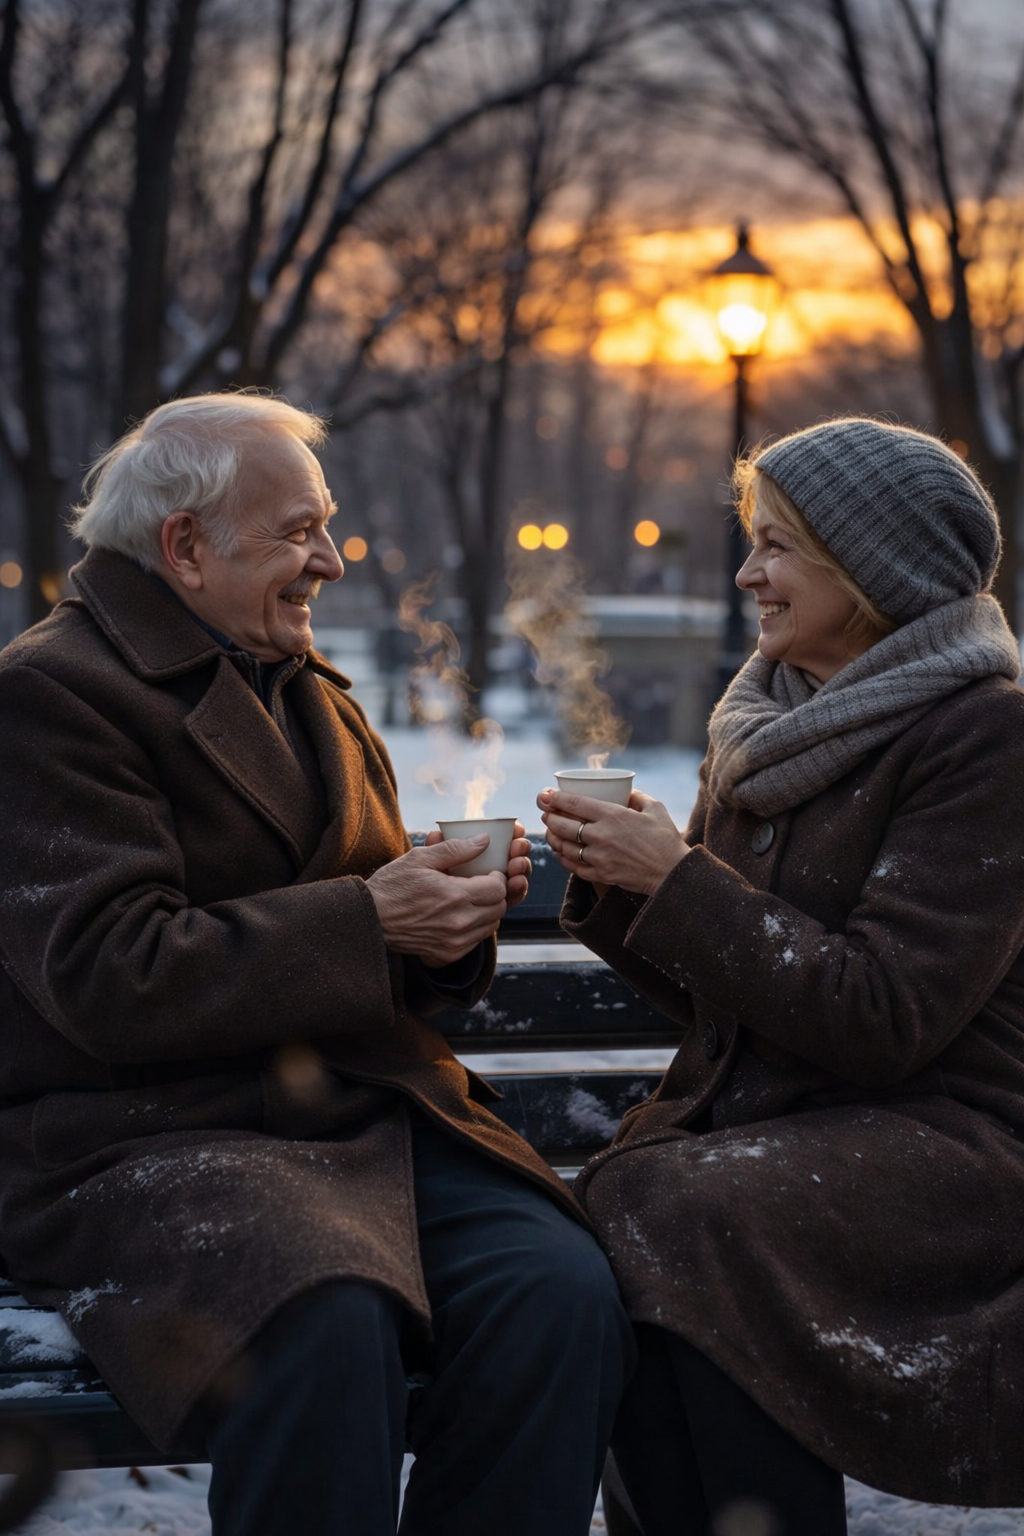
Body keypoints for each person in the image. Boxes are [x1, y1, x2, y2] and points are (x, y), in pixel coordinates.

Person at [0, 392, 633, 1536]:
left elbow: (371, 928)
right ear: (185, 547)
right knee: (322, 1311)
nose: (331, 562)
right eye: (299, 532)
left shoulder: (304, 690)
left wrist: (441, 927)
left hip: (361, 1119)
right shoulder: (51, 697)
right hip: (143, 1137)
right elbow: (105, 973)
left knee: (560, 1294)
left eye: (324, 526)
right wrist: (366, 923)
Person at [538, 417, 1024, 1535]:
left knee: (676, 1204)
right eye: (750, 543)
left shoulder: (983, 739)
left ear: (874, 562)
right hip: (793, 1129)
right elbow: (741, 1000)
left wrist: (680, 885)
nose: (748, 573)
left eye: (778, 547)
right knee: (634, 1219)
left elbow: (883, 1015)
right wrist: (627, 884)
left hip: (958, 1141)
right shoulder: (765, 726)